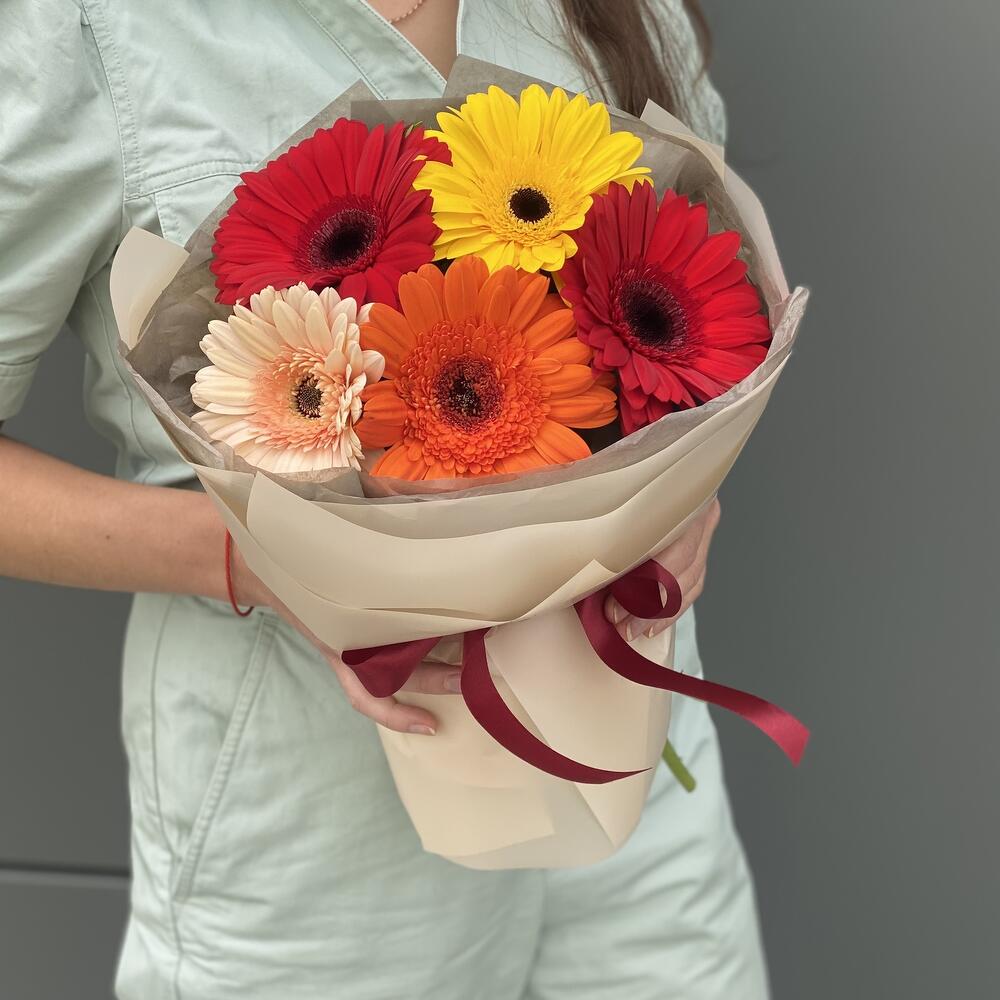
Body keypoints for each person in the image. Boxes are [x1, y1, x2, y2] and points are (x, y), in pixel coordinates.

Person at [0, 1, 768, 997]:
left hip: (631, 742)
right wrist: (264, 558)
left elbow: (699, 277)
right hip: (313, 825)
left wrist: (683, 496)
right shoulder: (87, 26)